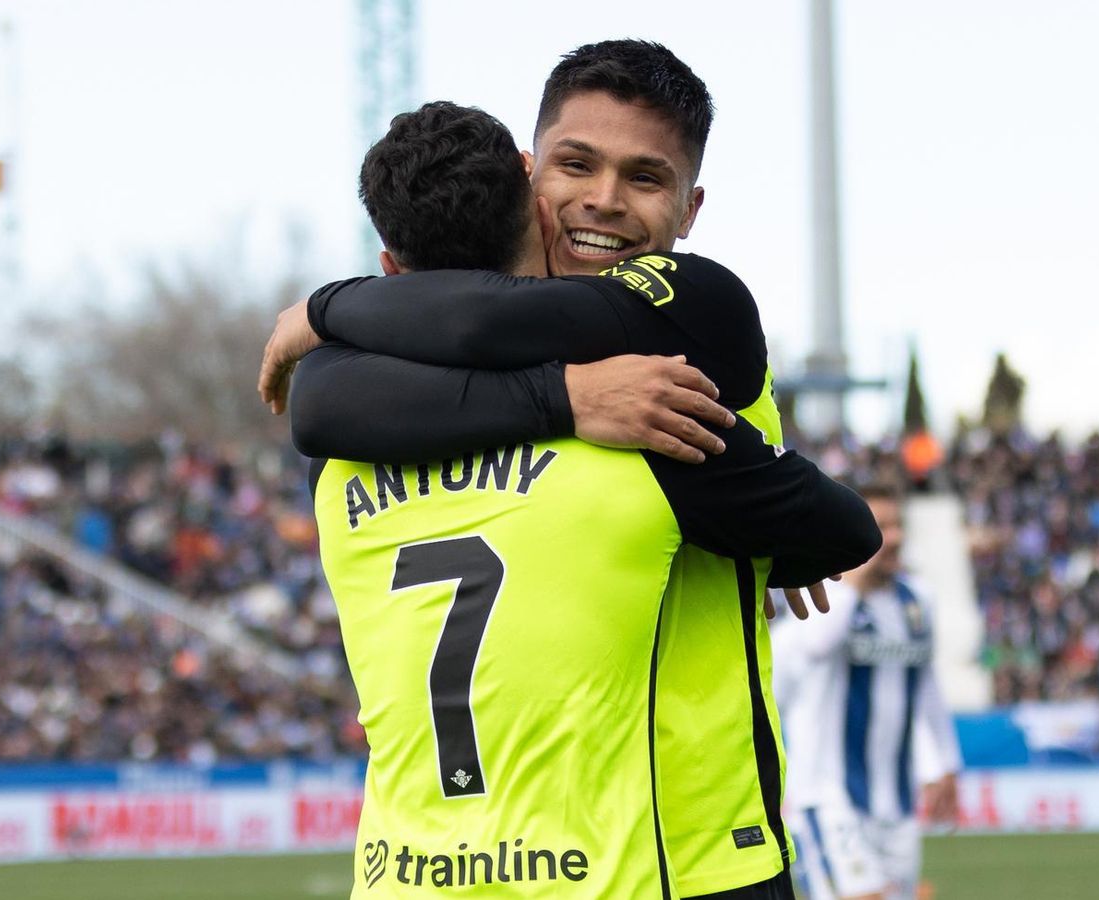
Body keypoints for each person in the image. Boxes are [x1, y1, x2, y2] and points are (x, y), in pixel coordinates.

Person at [261, 40, 839, 899]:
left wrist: (327, 307)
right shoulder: (416, 382)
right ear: (531, 174)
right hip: (603, 863)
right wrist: (564, 398)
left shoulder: (691, 330)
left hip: (691, 849)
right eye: (578, 165)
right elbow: (335, 396)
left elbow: (345, 388)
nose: (603, 199)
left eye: (644, 178)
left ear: (691, 208)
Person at [772, 484, 961, 900]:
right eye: (880, 528)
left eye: (897, 526)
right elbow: (816, 644)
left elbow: (925, 684)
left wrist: (945, 761)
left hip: (896, 803)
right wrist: (855, 580)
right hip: (831, 799)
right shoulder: (826, 598)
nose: (892, 538)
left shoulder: (917, 601)